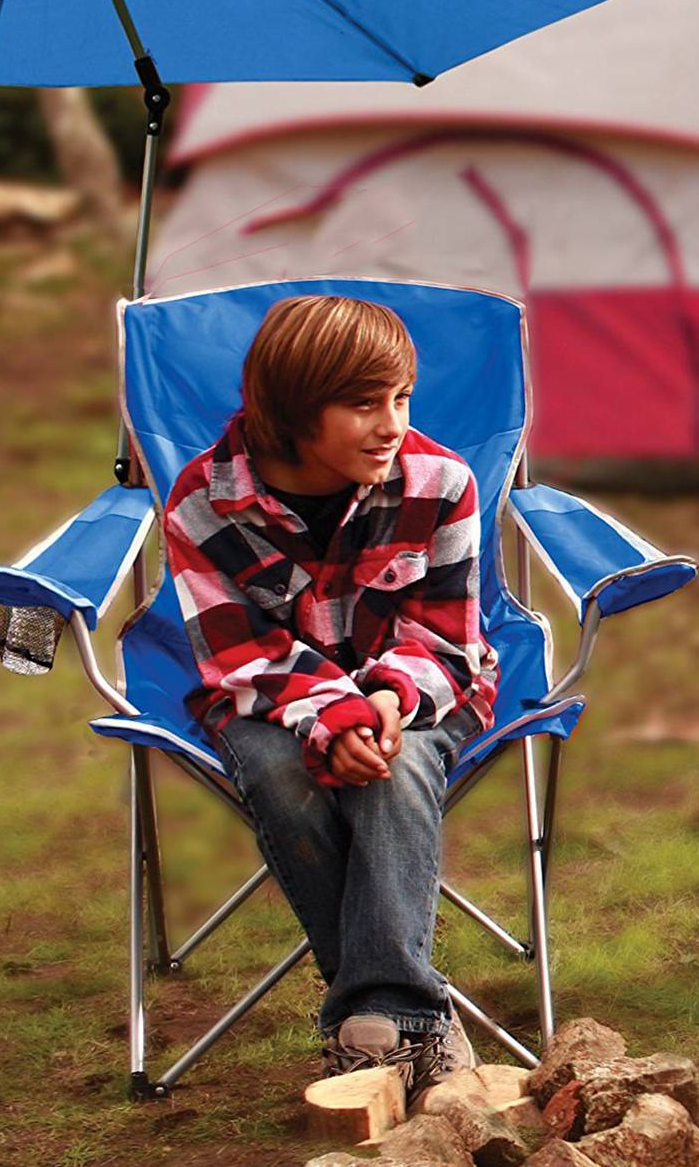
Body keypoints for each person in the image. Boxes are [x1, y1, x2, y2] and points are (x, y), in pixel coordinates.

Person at [161, 293, 500, 1098]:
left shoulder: (439, 481)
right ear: (289, 411)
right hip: (267, 698)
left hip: (421, 690)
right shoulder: (203, 501)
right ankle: (415, 1016)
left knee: (398, 765)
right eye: (362, 404)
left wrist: (380, 704)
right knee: (285, 773)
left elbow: (444, 636)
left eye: (401, 398)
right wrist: (330, 714)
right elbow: (242, 653)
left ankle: (373, 1025)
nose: (391, 424)